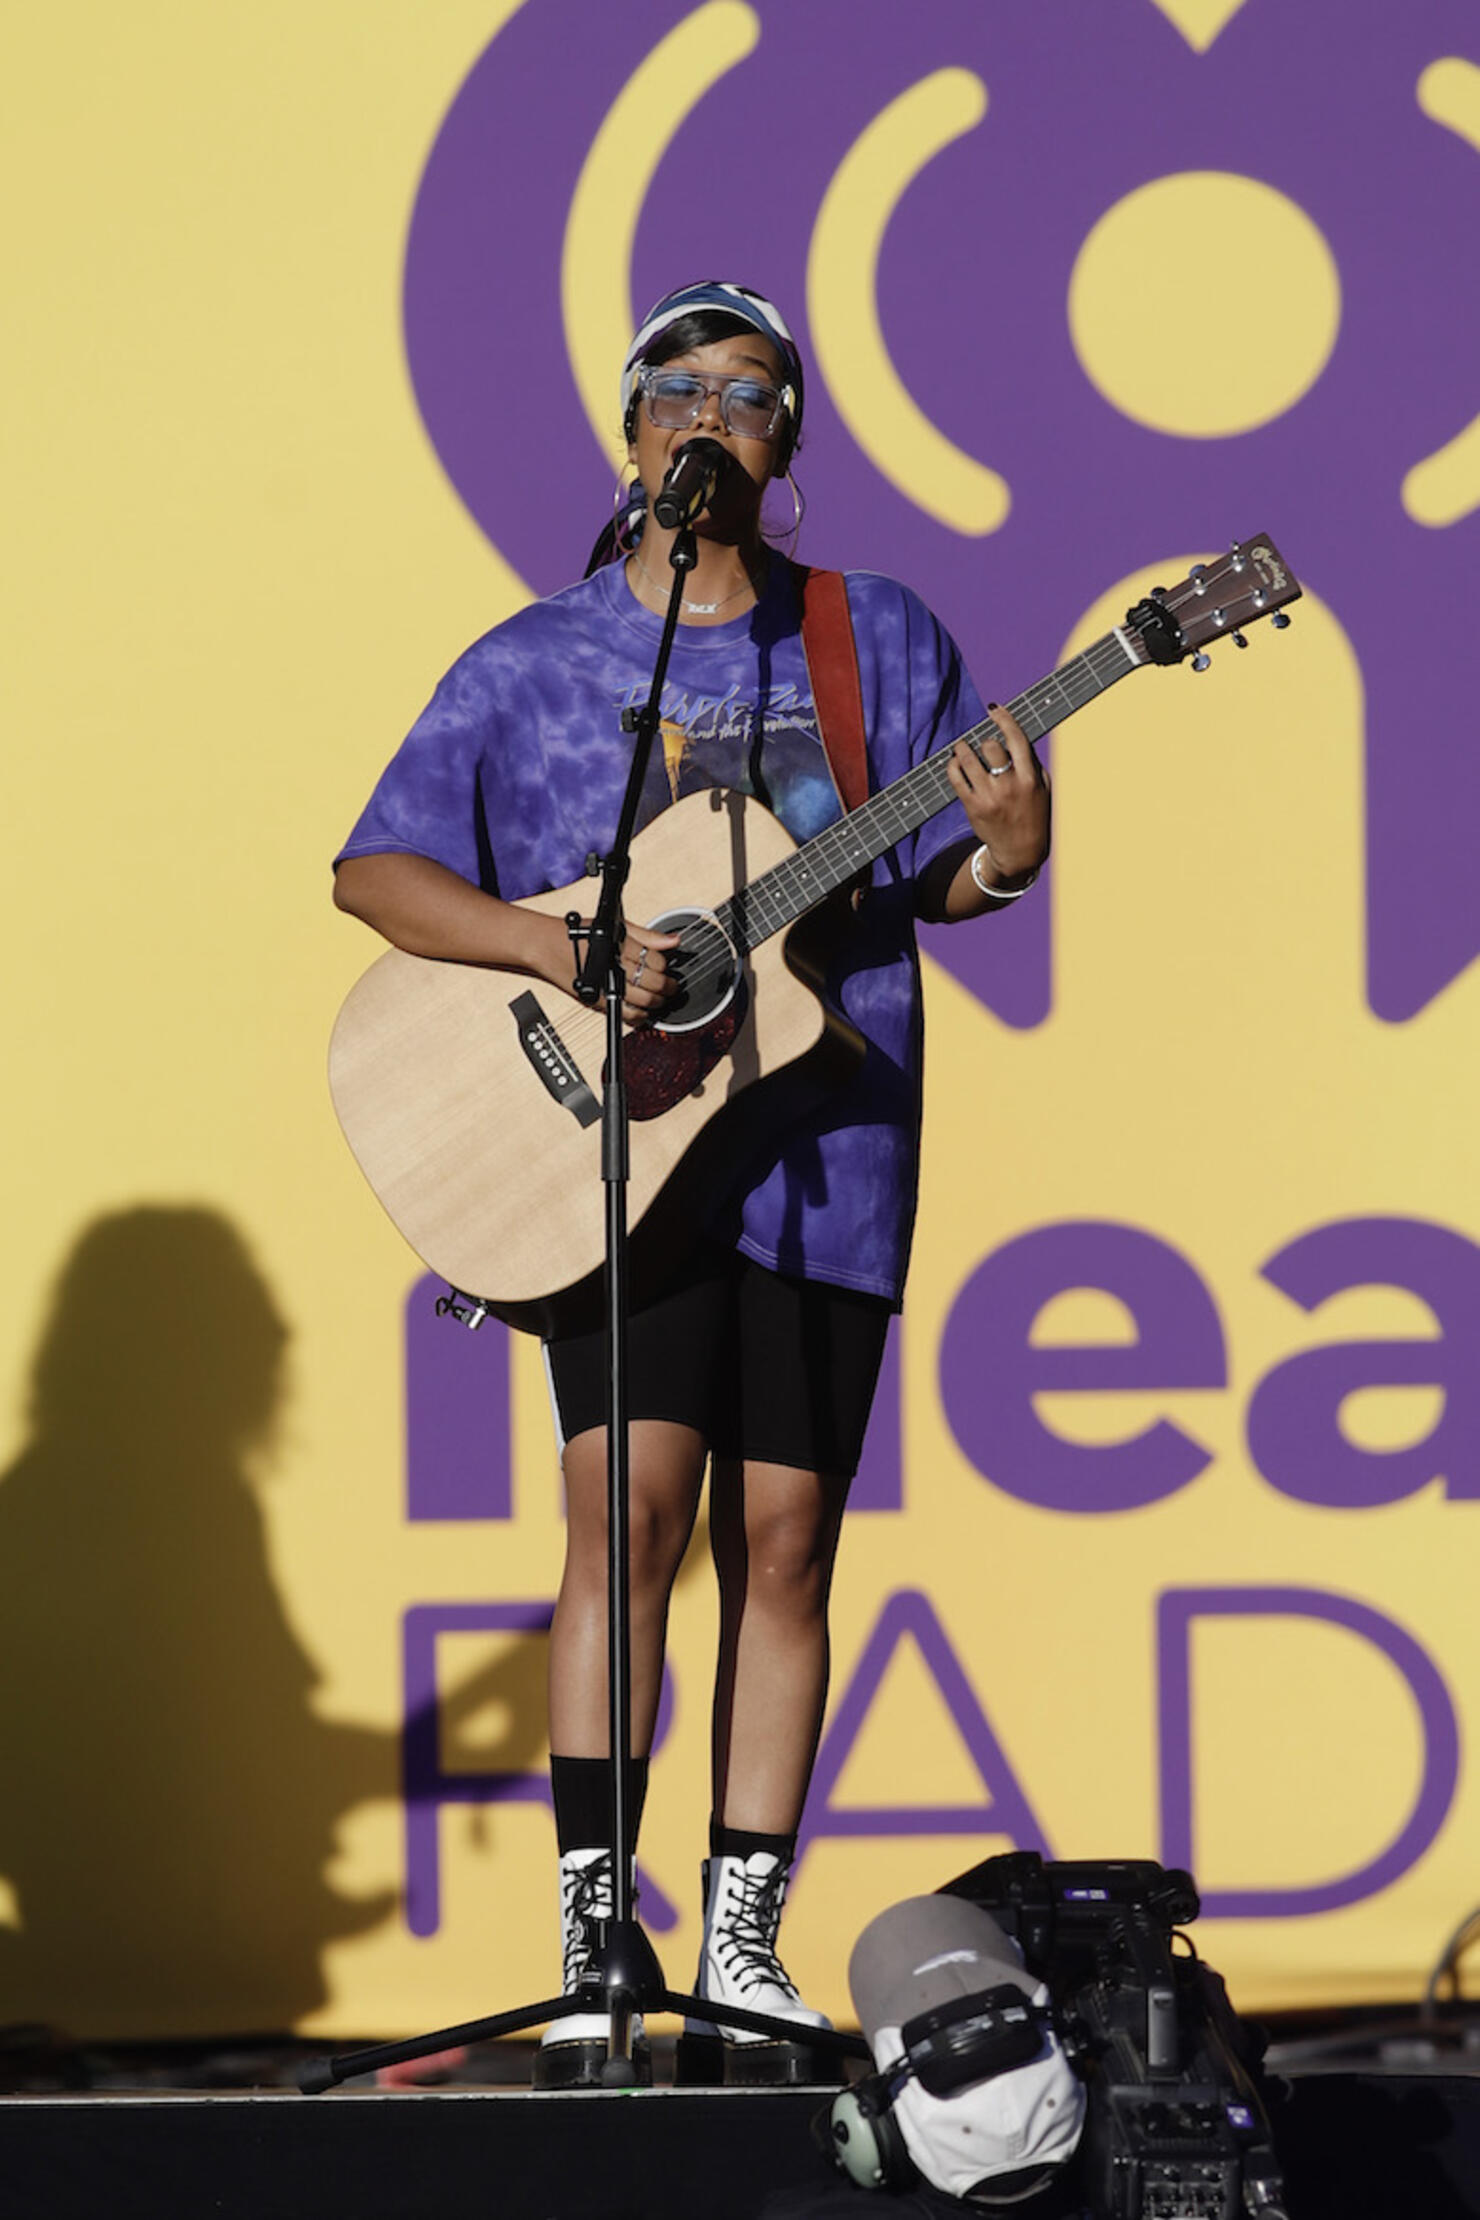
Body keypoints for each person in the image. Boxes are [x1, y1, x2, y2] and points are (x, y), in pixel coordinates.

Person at [333, 280, 1050, 2083]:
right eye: (684, 386)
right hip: (611, 1155)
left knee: (787, 1546)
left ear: (783, 444)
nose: (713, 413)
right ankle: (595, 1927)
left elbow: (925, 880)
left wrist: (1008, 862)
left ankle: (739, 1936)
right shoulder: (537, 661)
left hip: (827, 1153)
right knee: (625, 1527)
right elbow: (378, 876)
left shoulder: (871, 638)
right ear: (633, 430)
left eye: (752, 392)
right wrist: (558, 947)